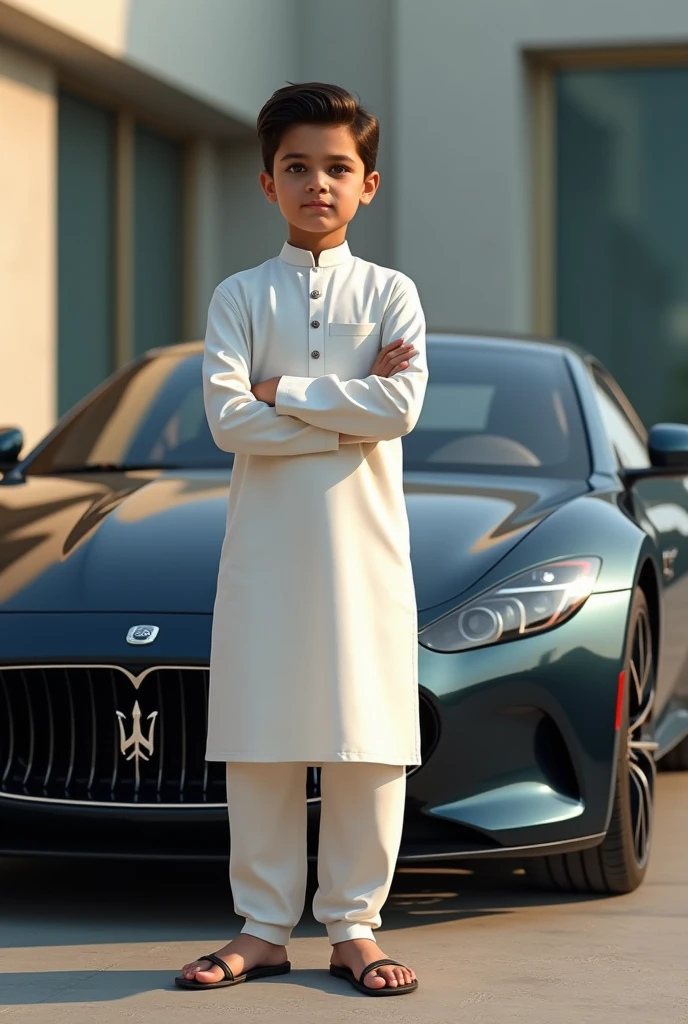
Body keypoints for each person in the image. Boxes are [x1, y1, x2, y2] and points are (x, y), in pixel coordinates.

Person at [176, 82, 428, 998]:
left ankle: (356, 927)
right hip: (266, 560)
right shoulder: (239, 296)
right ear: (265, 181)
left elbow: (401, 408)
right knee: (263, 739)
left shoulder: (392, 294)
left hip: (363, 559)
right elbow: (226, 422)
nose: (315, 183)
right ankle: (262, 929)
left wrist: (286, 391)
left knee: (366, 740)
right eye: (297, 167)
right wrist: (344, 411)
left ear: (368, 185)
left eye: (336, 168)